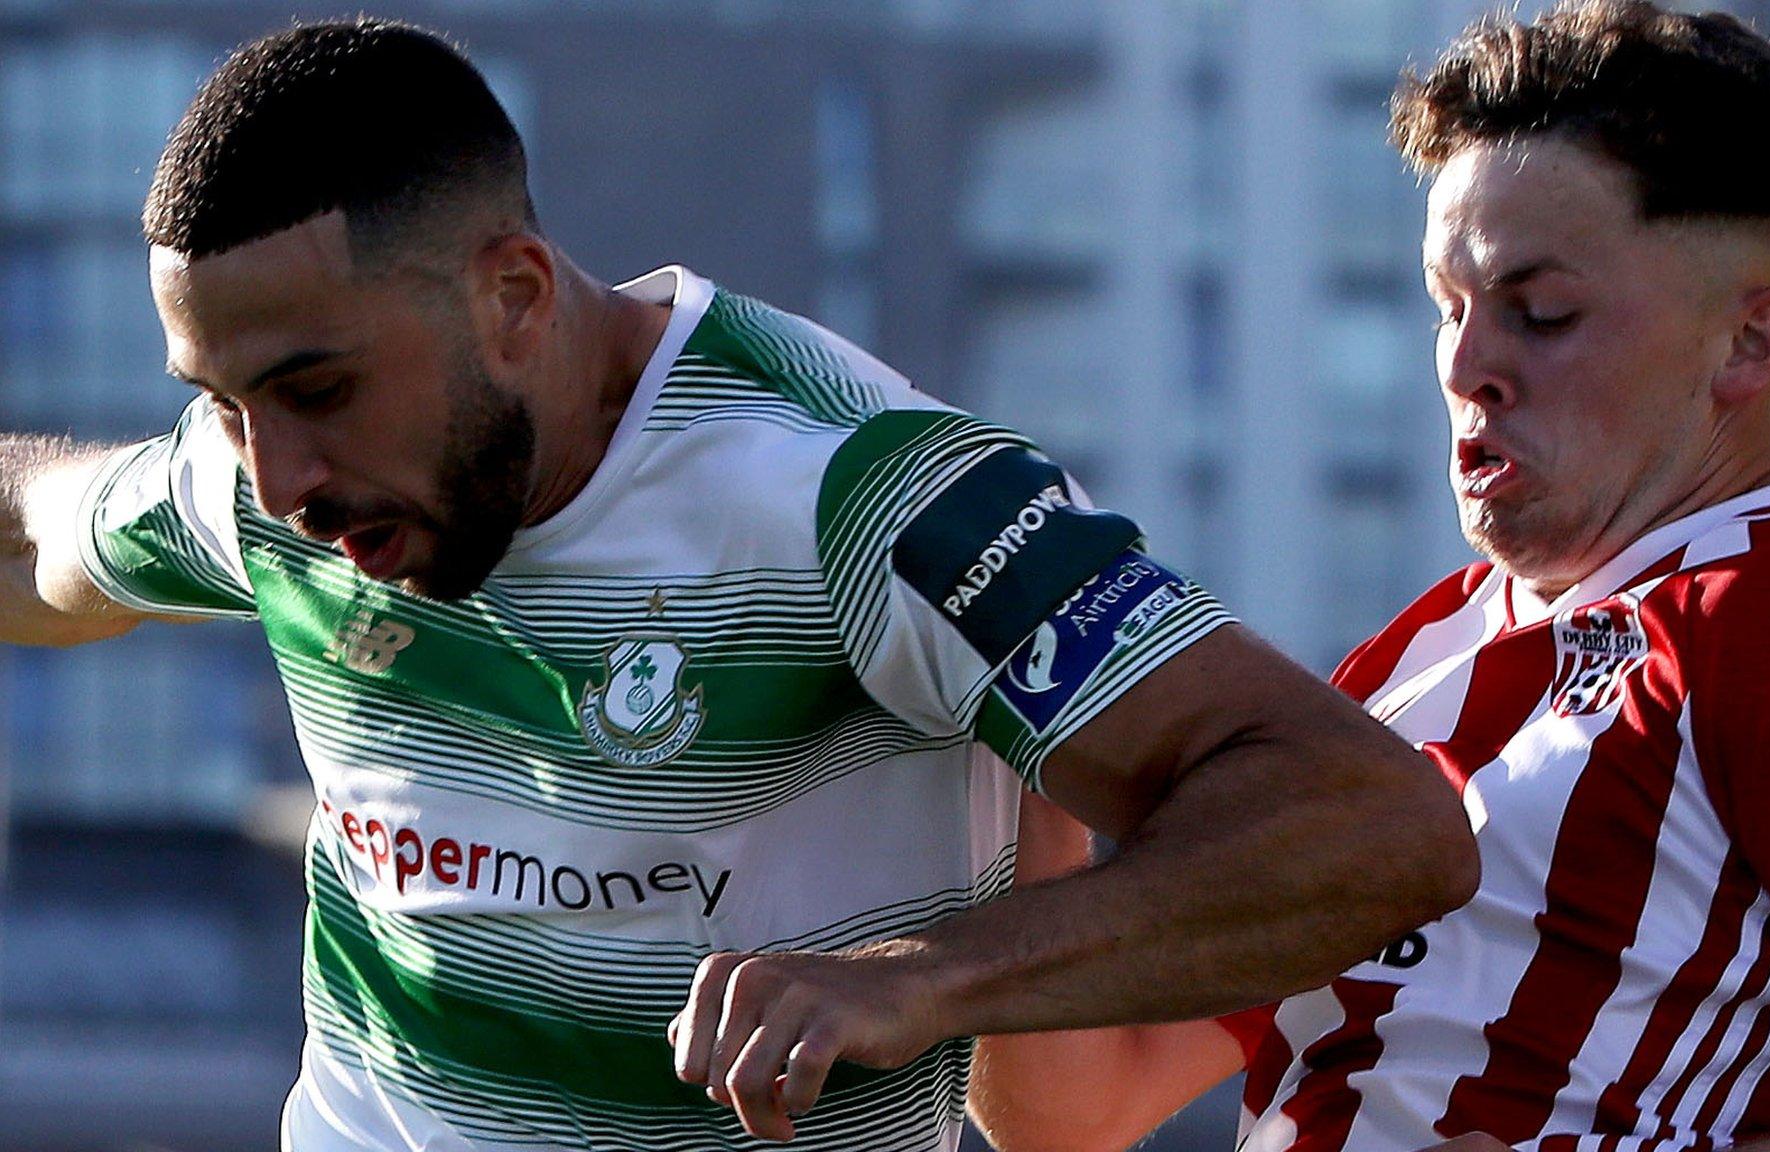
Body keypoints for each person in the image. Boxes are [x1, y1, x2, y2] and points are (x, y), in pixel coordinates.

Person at [0, 19, 1480, 1152]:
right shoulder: (275, 490)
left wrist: (922, 977)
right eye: (226, 401)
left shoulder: (864, 493)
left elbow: (1369, 824)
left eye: (316, 389)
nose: (273, 480)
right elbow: (34, 536)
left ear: (511, 296)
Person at [969, 3, 1770, 1150]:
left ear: (1749, 343)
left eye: (1540, 313)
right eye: (1444, 308)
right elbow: (1073, 1109)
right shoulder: (1406, 662)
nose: (1466, 365)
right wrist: (1033, 739)